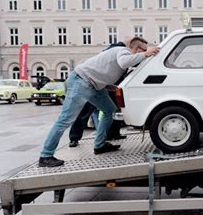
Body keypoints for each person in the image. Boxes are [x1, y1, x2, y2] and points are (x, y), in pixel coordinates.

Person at [38, 36, 159, 167]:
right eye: (143, 50)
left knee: (109, 110)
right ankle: (45, 155)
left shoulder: (121, 54)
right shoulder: (123, 51)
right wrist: (146, 54)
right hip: (81, 81)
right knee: (65, 120)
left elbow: (102, 73)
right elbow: (124, 62)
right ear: (136, 48)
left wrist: (111, 86)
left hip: (94, 86)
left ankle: (99, 145)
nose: (145, 53)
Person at [68, 38, 132, 148]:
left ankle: (113, 134)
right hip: (96, 85)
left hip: (109, 86)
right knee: (85, 113)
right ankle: (74, 138)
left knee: (113, 110)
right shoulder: (118, 50)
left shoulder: (121, 51)